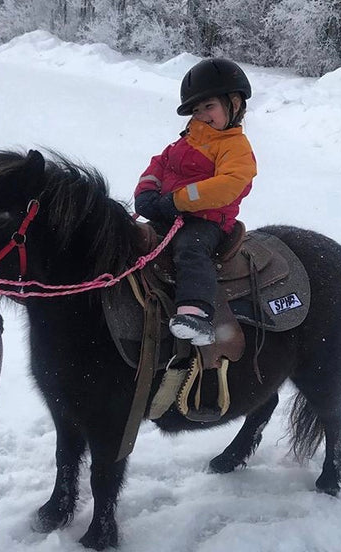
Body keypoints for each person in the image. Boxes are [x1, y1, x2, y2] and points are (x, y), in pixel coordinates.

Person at [134, 57, 257, 346]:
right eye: (196, 109)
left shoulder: (235, 147)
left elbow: (227, 186)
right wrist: (146, 193)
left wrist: (178, 200)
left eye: (209, 106)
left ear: (234, 104)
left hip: (207, 221)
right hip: (170, 213)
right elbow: (159, 165)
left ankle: (196, 312)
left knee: (191, 250)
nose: (202, 115)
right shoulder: (185, 141)